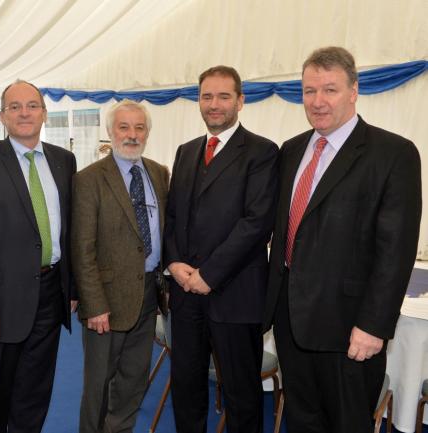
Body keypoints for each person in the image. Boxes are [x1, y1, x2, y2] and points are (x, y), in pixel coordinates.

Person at [263, 46, 422, 433]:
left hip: (349, 328)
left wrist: (373, 325)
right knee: (301, 419)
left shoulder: (393, 154)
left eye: (330, 90)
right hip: (291, 321)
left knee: (346, 424)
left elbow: (395, 251)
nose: (317, 102)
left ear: (354, 91)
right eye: (309, 91)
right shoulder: (291, 150)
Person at [0, 79, 77, 433]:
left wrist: (72, 288)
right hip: (0, 302)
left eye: (32, 105)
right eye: (15, 107)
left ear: (44, 113)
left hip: (51, 296)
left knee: (35, 392)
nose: (24, 113)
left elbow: (70, 228)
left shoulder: (63, 161)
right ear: (2, 116)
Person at [164, 65, 278, 433]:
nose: (214, 104)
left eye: (223, 96)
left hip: (235, 296)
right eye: (207, 96)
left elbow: (257, 223)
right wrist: (175, 263)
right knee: (186, 387)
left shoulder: (262, 152)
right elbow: (173, 215)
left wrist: (208, 276)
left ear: (240, 101)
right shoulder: (185, 151)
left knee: (242, 395)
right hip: (185, 296)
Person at [72, 100, 169, 433]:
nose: (132, 135)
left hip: (148, 298)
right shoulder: (89, 179)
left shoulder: (158, 173)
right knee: (99, 385)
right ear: (111, 132)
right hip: (106, 303)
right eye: (124, 127)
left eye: (139, 128)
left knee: (133, 381)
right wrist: (94, 304)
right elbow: (82, 249)